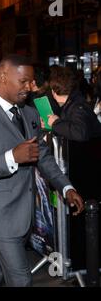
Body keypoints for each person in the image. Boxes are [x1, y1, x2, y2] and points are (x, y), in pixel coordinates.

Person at [0, 54, 84, 287]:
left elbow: (44, 157)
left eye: (31, 81)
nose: (30, 87)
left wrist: (66, 187)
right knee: (21, 280)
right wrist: (11, 157)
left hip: (24, 214)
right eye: (24, 81)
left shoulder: (28, 114)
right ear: (4, 77)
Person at [42, 66, 101, 270]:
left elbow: (80, 132)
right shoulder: (73, 103)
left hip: (86, 177)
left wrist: (56, 123)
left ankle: (84, 267)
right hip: (82, 174)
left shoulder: (77, 107)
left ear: (54, 91)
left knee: (85, 226)